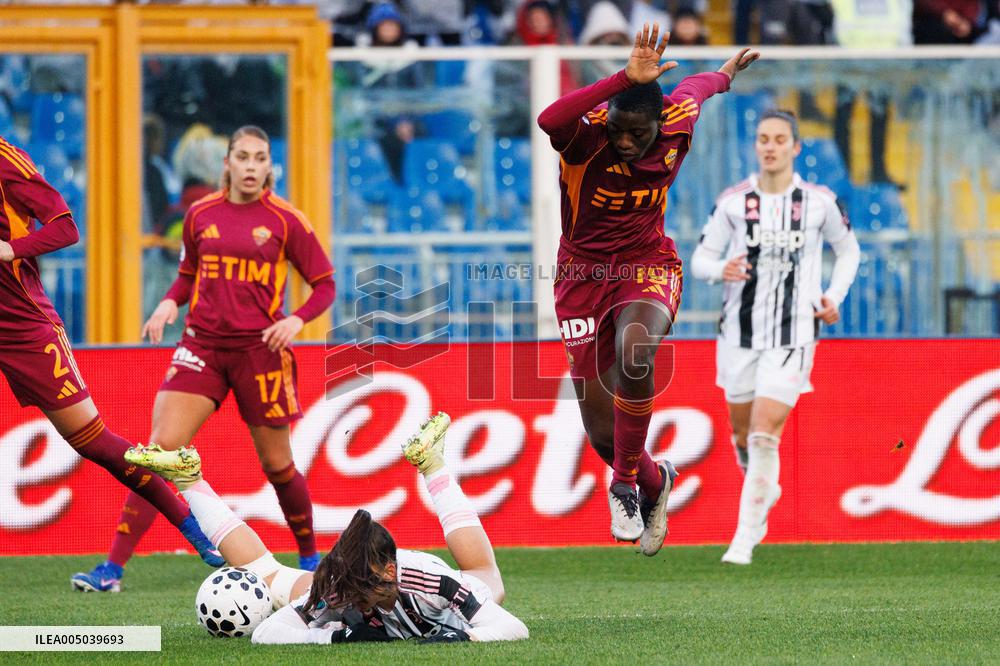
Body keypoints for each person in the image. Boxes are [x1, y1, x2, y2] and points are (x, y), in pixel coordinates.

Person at [72, 125, 336, 592]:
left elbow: (325, 285)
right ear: (227, 163)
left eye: (259, 158)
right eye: (243, 157)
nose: (251, 166)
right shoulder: (200, 214)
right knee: (160, 453)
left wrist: (296, 320)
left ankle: (311, 560)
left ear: (270, 167)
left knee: (278, 466)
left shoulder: (286, 220)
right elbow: (187, 274)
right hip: (202, 346)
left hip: (260, 351)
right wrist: (168, 302)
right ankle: (112, 569)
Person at [536, 23, 759, 554]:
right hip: (581, 275)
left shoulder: (678, 120)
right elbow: (549, 119)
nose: (626, 142)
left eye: (638, 134)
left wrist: (725, 75)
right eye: (619, 131)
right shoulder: (585, 139)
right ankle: (654, 483)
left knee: (636, 352)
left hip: (646, 262)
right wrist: (622, 80)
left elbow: (697, 88)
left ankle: (623, 487)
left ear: (660, 123)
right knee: (602, 434)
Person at [0, 136, 224, 575]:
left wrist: (13, 249)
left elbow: (66, 227)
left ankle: (191, 525)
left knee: (94, 442)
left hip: (24, 326)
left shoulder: (6, 159)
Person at [124, 413, 530, 643]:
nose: (353, 601)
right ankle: (189, 480)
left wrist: (463, 638)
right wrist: (334, 636)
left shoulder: (431, 582)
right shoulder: (340, 586)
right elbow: (267, 634)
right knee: (269, 575)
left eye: (360, 590)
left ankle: (434, 466)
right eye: (349, 588)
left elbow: (511, 627)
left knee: (486, 579)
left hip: (434, 584)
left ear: (390, 571)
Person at [690, 110, 860, 565]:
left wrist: (833, 296)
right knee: (743, 435)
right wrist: (720, 269)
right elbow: (700, 260)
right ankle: (763, 487)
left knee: (765, 434)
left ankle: (744, 539)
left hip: (794, 334)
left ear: (795, 147)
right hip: (738, 334)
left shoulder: (819, 202)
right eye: (764, 138)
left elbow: (849, 251)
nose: (770, 146)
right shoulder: (733, 202)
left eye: (780, 139)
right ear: (756, 146)